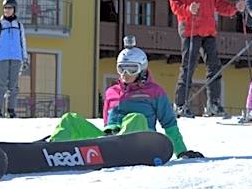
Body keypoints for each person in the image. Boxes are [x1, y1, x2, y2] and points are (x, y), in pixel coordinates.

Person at [47, 38, 203, 159]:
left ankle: (117, 146)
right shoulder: (111, 92)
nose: (125, 73)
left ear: (141, 69)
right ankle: (51, 152)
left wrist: (181, 151)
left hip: (140, 144)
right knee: (69, 119)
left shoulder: (155, 92)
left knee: (135, 118)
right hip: (108, 141)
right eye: (121, 68)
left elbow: (169, 124)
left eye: (131, 69)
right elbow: (107, 122)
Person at [169, 0, 246, 118]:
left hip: (208, 31)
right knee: (188, 67)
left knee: (214, 67)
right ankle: (180, 105)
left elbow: (220, 4)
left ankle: (214, 104)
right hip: (190, 30)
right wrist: (188, 10)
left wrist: (235, 8)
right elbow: (174, 4)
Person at [0, 0, 29, 118]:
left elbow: (23, 42)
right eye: (5, 8)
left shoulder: (19, 25)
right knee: (2, 83)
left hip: (16, 57)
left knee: (13, 85)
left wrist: (25, 57)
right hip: (2, 57)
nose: (7, 10)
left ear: (14, 10)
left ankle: (11, 109)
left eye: (9, 8)